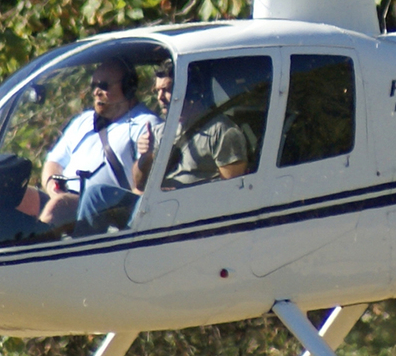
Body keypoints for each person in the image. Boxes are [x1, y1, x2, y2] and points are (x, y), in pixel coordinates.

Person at [39, 57, 159, 230]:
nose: (96, 92)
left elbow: (143, 185)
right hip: (64, 198)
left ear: (128, 87)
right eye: (93, 86)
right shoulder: (84, 120)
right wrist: (53, 188)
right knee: (23, 197)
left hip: (109, 208)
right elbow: (54, 162)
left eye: (103, 86)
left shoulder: (144, 124)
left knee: (58, 207)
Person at [162, 70, 252, 187]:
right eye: (157, 91)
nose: (160, 97)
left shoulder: (222, 131)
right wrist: (146, 155)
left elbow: (233, 190)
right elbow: (139, 184)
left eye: (167, 90)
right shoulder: (164, 130)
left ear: (190, 92)